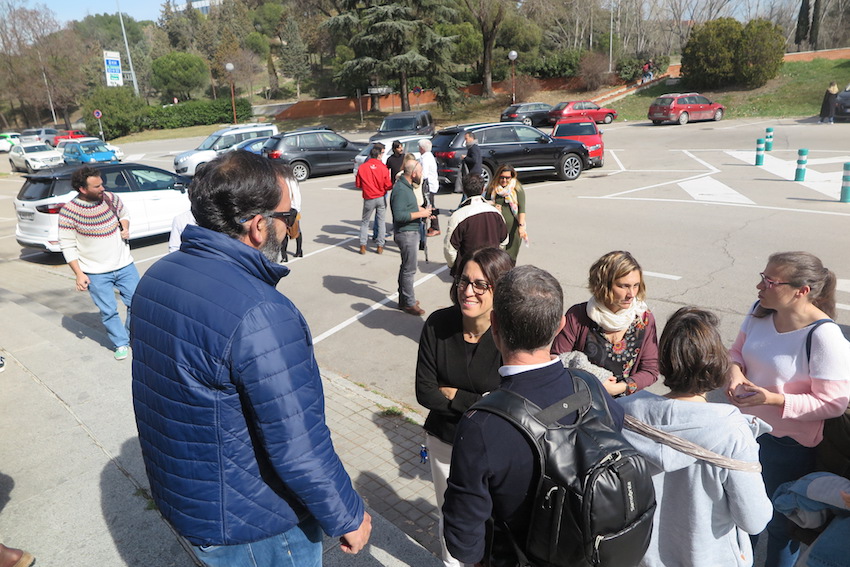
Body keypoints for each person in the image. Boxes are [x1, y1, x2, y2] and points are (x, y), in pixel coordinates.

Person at [130, 151, 371, 567]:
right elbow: (298, 443)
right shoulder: (260, 313)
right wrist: (346, 513)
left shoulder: (157, 275)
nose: (289, 226)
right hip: (259, 528)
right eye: (288, 216)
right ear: (260, 226)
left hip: (195, 504)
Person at [442, 265, 625, 567]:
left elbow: (463, 541)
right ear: (560, 326)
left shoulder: (482, 424)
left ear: (494, 324)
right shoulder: (589, 386)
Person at [618, 307, 773, 567]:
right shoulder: (731, 430)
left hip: (637, 558)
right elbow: (754, 520)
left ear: (664, 359)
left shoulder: (624, 412)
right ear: (715, 362)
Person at [726, 251, 850, 567]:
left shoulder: (824, 336)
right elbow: (736, 352)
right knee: (740, 521)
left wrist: (774, 399)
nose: (759, 286)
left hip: (788, 448)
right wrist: (735, 372)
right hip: (744, 435)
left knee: (780, 528)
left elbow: (834, 404)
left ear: (802, 291)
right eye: (762, 276)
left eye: (770, 281)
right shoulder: (759, 311)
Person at [415, 247, 514, 567]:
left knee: (493, 517)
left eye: (480, 284)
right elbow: (425, 392)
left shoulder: (509, 334)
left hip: (493, 447)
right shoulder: (437, 324)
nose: (467, 291)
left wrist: (456, 396)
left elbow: (509, 401)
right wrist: (480, 401)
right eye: (463, 281)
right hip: (445, 441)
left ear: (500, 289)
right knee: (451, 515)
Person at [551, 250, 659, 397]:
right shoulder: (578, 316)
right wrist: (596, 380)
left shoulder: (643, 318)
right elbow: (557, 360)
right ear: (603, 285)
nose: (631, 294)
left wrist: (620, 388)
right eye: (623, 286)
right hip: (583, 400)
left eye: (636, 285)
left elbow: (650, 370)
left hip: (625, 403)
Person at [58, 165, 139, 361]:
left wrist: (125, 227)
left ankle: (131, 335)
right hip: (95, 272)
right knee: (109, 311)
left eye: (102, 184)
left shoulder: (111, 199)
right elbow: (67, 245)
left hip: (125, 265)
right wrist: (79, 274)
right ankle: (121, 342)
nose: (102, 188)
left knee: (138, 303)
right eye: (97, 186)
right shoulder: (69, 212)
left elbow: (124, 214)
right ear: (83, 189)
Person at [390, 158, 432, 316]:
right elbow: (399, 215)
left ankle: (404, 298)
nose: (421, 174)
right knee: (409, 269)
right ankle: (409, 303)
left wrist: (424, 211)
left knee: (406, 267)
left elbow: (409, 207)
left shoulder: (406, 186)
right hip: (406, 233)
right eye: (420, 172)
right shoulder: (401, 189)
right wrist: (421, 213)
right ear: (413, 173)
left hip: (410, 231)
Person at [443, 174, 508, 276]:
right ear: (483, 189)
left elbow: (450, 249)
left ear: (464, 190)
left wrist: (456, 267)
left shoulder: (458, 216)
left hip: (468, 271)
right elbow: (504, 241)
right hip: (492, 269)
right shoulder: (496, 213)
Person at [484, 164, 527, 263]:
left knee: (511, 258)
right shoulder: (492, 188)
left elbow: (522, 209)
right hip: (495, 229)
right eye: (501, 177)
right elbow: (485, 205)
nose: (504, 180)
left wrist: (521, 226)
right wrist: (493, 206)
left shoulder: (517, 189)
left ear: (512, 177)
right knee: (496, 258)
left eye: (507, 178)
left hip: (513, 230)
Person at [356, 145, 392, 255]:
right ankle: (380, 245)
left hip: (368, 197)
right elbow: (388, 185)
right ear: (379, 155)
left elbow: (358, 184)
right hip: (380, 196)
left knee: (365, 222)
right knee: (381, 222)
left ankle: (363, 245)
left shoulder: (363, 167)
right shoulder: (383, 167)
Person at [420, 138, 441, 237]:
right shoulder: (429, 156)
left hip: (428, 186)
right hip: (432, 184)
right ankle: (433, 226)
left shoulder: (425, 158)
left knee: (429, 206)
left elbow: (424, 174)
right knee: (431, 205)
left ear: (422, 148)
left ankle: (435, 227)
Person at [454, 131, 482, 195]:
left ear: (471, 138)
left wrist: (465, 158)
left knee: (470, 191)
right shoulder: (473, 147)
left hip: (474, 172)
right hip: (475, 172)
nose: (465, 141)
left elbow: (474, 160)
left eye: (466, 139)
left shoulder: (473, 148)